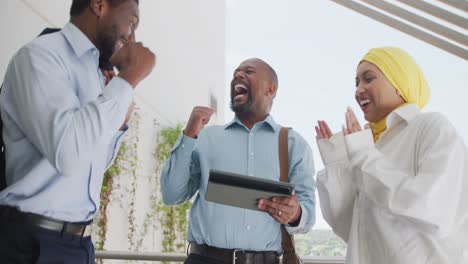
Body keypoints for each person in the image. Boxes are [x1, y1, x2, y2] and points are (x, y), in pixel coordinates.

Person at [0, 0, 155, 263]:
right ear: (99, 5)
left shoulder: (98, 74)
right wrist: (129, 78)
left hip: (80, 245)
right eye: (132, 21)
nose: (132, 36)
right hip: (33, 244)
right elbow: (69, 154)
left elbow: (92, 161)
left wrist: (117, 124)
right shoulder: (42, 56)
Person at [315, 47, 468, 264]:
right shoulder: (370, 146)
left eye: (369, 79)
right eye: (356, 82)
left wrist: (362, 155)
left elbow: (429, 206)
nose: (359, 90)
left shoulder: (432, 127)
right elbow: (351, 230)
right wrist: (337, 164)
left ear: (400, 83)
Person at [161, 58, 316, 264]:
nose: (238, 76)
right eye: (235, 73)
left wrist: (295, 213)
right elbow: (171, 194)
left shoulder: (294, 145)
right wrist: (189, 135)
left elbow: (308, 214)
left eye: (248, 71)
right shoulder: (206, 138)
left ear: (270, 89)